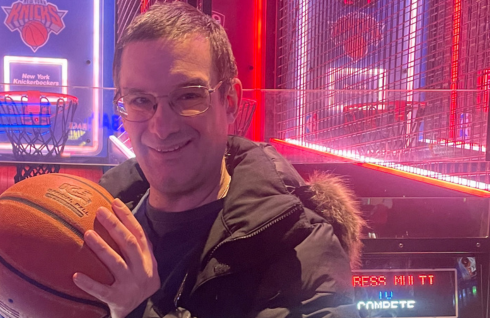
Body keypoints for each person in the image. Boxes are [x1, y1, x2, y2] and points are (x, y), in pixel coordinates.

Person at [72, 3, 365, 317]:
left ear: (230, 102)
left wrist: (139, 312)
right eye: (140, 100)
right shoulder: (89, 227)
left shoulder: (300, 247)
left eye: (188, 96)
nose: (161, 127)